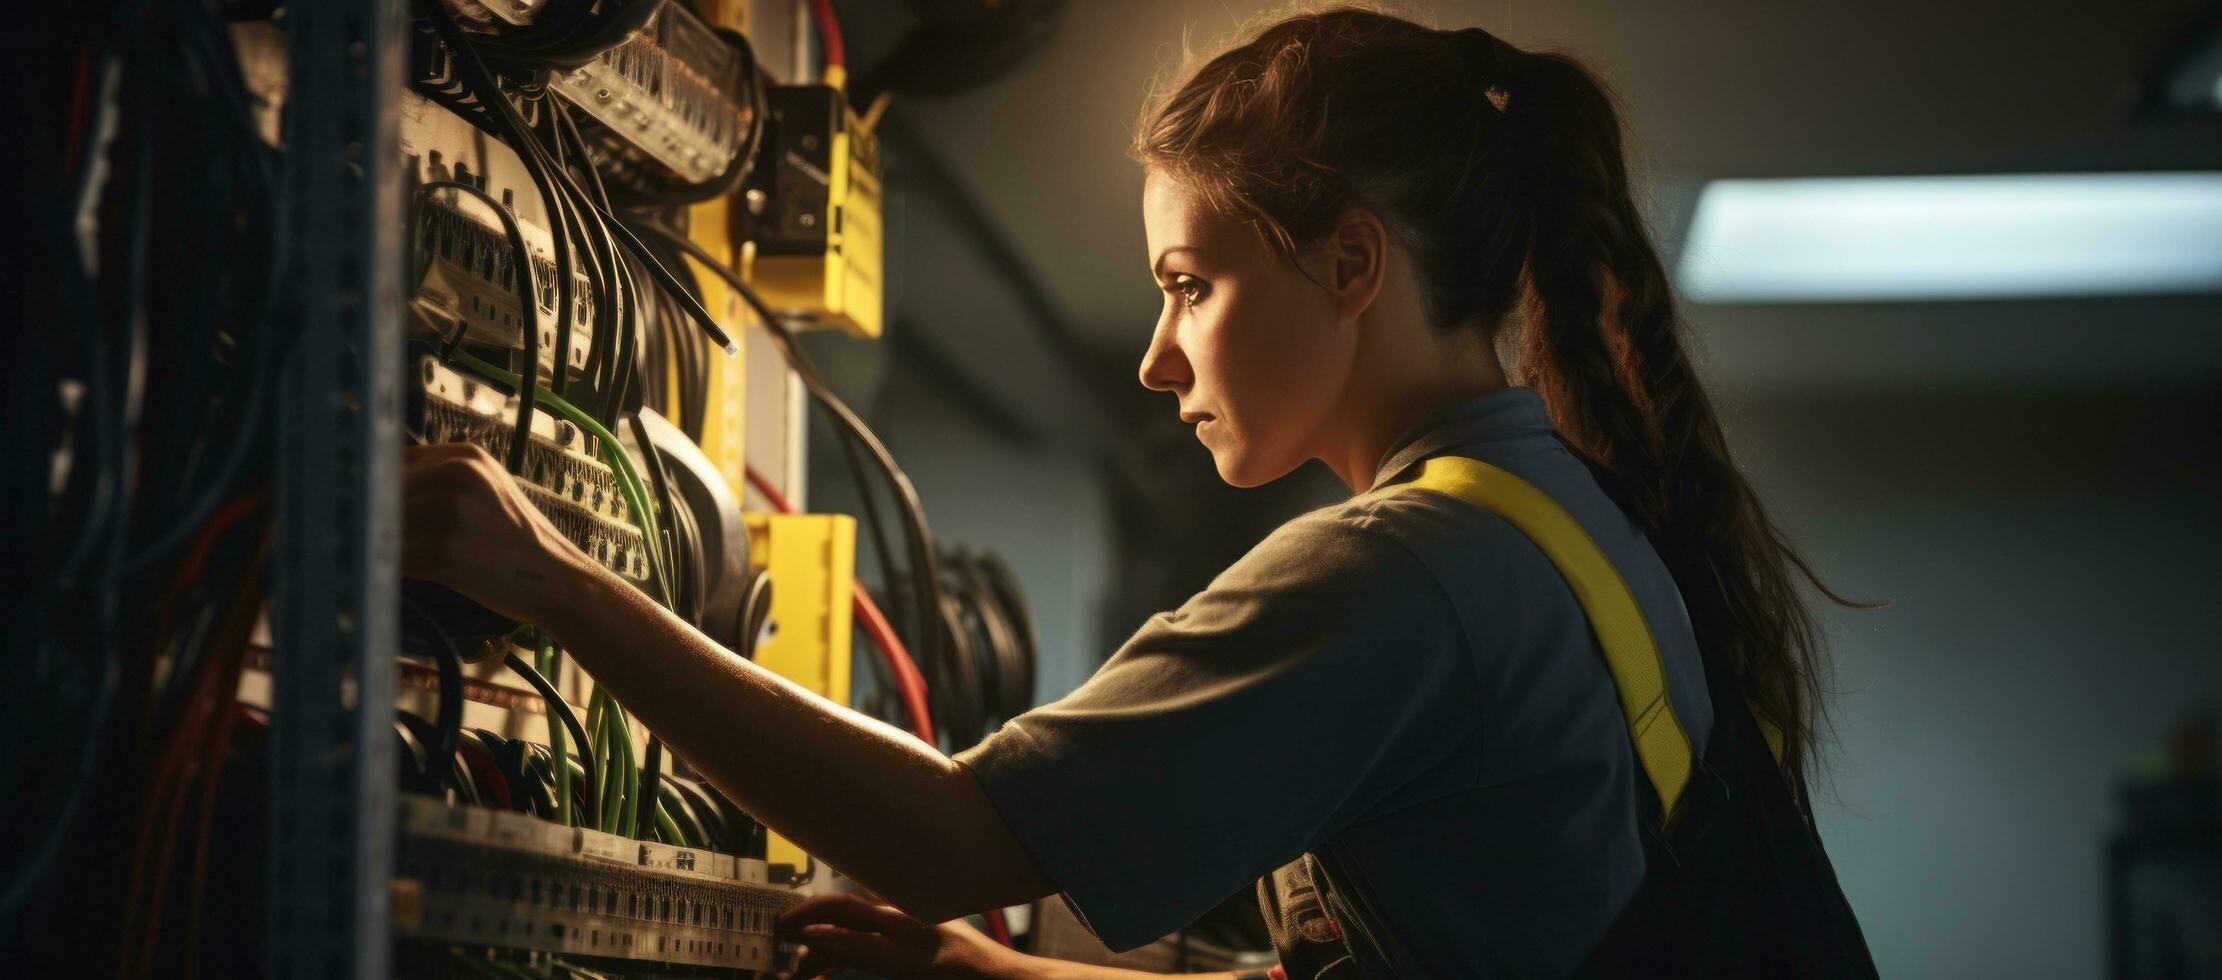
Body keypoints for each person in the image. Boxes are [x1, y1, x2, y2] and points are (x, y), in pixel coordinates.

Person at [403, 8, 1866, 977]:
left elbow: (942, 839)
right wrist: (1003, 977)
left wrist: (550, 576)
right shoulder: (1569, 533)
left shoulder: (1405, 571)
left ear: (1351, 266)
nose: (1161, 359)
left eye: (1191, 283)